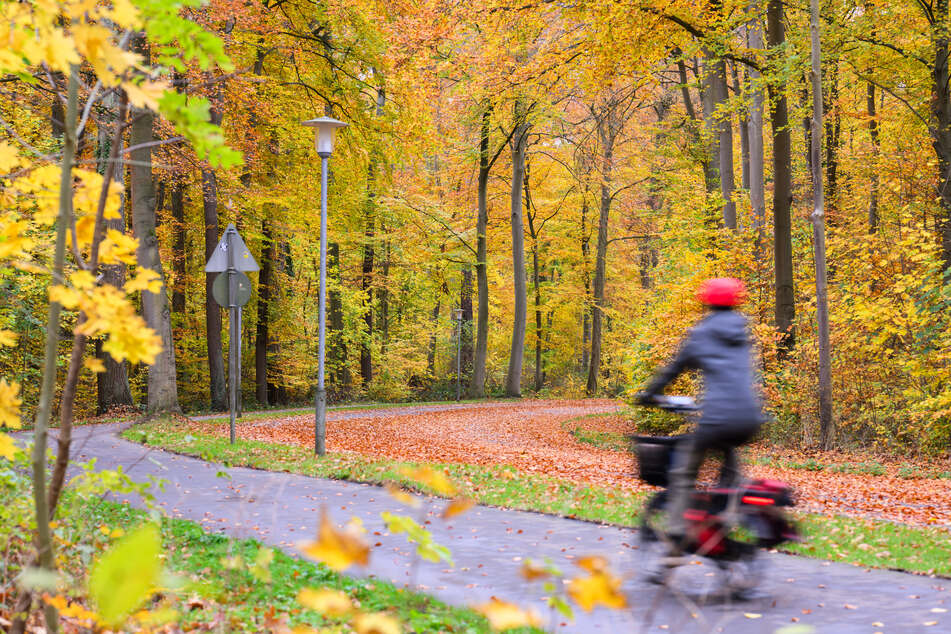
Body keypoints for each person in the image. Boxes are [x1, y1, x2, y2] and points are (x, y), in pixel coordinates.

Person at [637, 277, 766, 550]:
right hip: (750, 418)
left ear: (707, 301)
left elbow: (673, 369)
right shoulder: (744, 332)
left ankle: (677, 534)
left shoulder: (702, 333)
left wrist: (649, 395)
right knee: (730, 472)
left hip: (717, 419)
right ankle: (727, 516)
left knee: (683, 472)